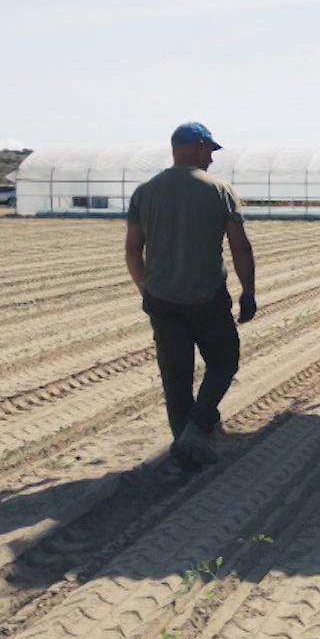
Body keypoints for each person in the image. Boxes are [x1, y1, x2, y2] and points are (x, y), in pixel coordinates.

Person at [125, 122, 257, 473]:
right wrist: (248, 291)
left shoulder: (145, 192)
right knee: (224, 361)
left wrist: (145, 289)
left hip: (161, 297)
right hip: (206, 295)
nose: (212, 158)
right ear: (197, 147)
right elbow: (240, 246)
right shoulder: (219, 190)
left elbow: (132, 251)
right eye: (210, 151)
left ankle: (183, 447)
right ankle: (197, 429)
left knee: (176, 373)